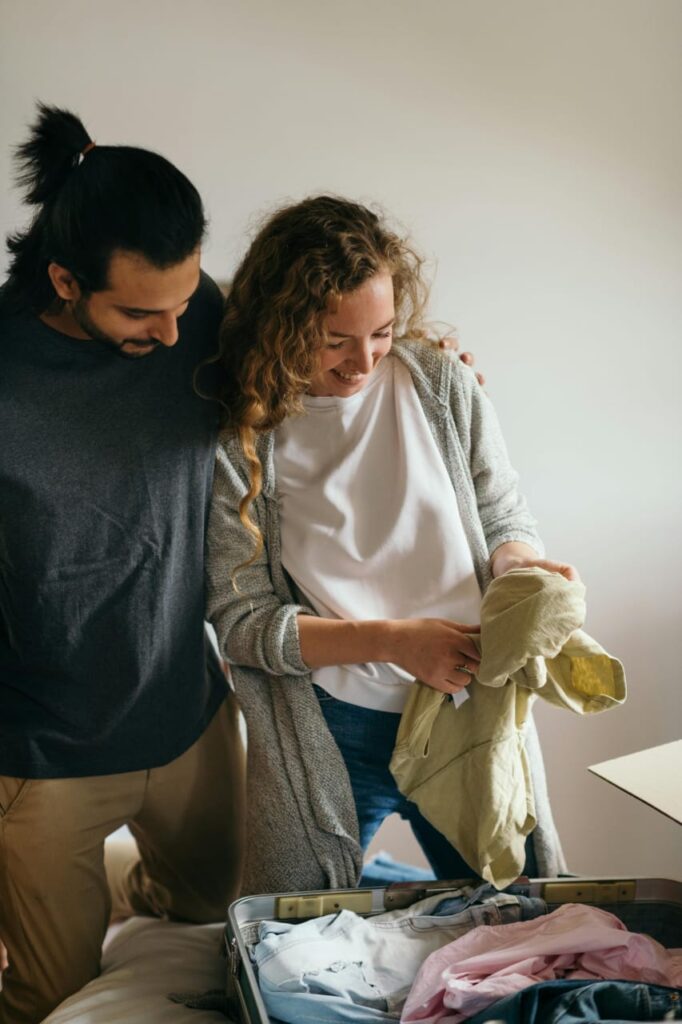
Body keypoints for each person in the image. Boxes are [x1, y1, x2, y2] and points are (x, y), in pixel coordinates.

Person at [206, 195, 576, 897]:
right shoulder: (241, 439)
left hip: (473, 705)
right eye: (334, 340)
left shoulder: (438, 382)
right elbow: (242, 625)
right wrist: (394, 641)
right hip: (332, 730)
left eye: (379, 332)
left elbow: (501, 512)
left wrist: (522, 568)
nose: (363, 362)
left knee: (529, 922)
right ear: (279, 326)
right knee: (295, 934)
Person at [0, 104, 246, 1024]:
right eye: (142, 312)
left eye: (185, 303)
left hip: (190, 717)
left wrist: (433, 372)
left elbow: (325, 368)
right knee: (51, 1000)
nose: (176, 334)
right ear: (64, 281)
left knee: (206, 930)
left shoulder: (200, 313)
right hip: (41, 749)